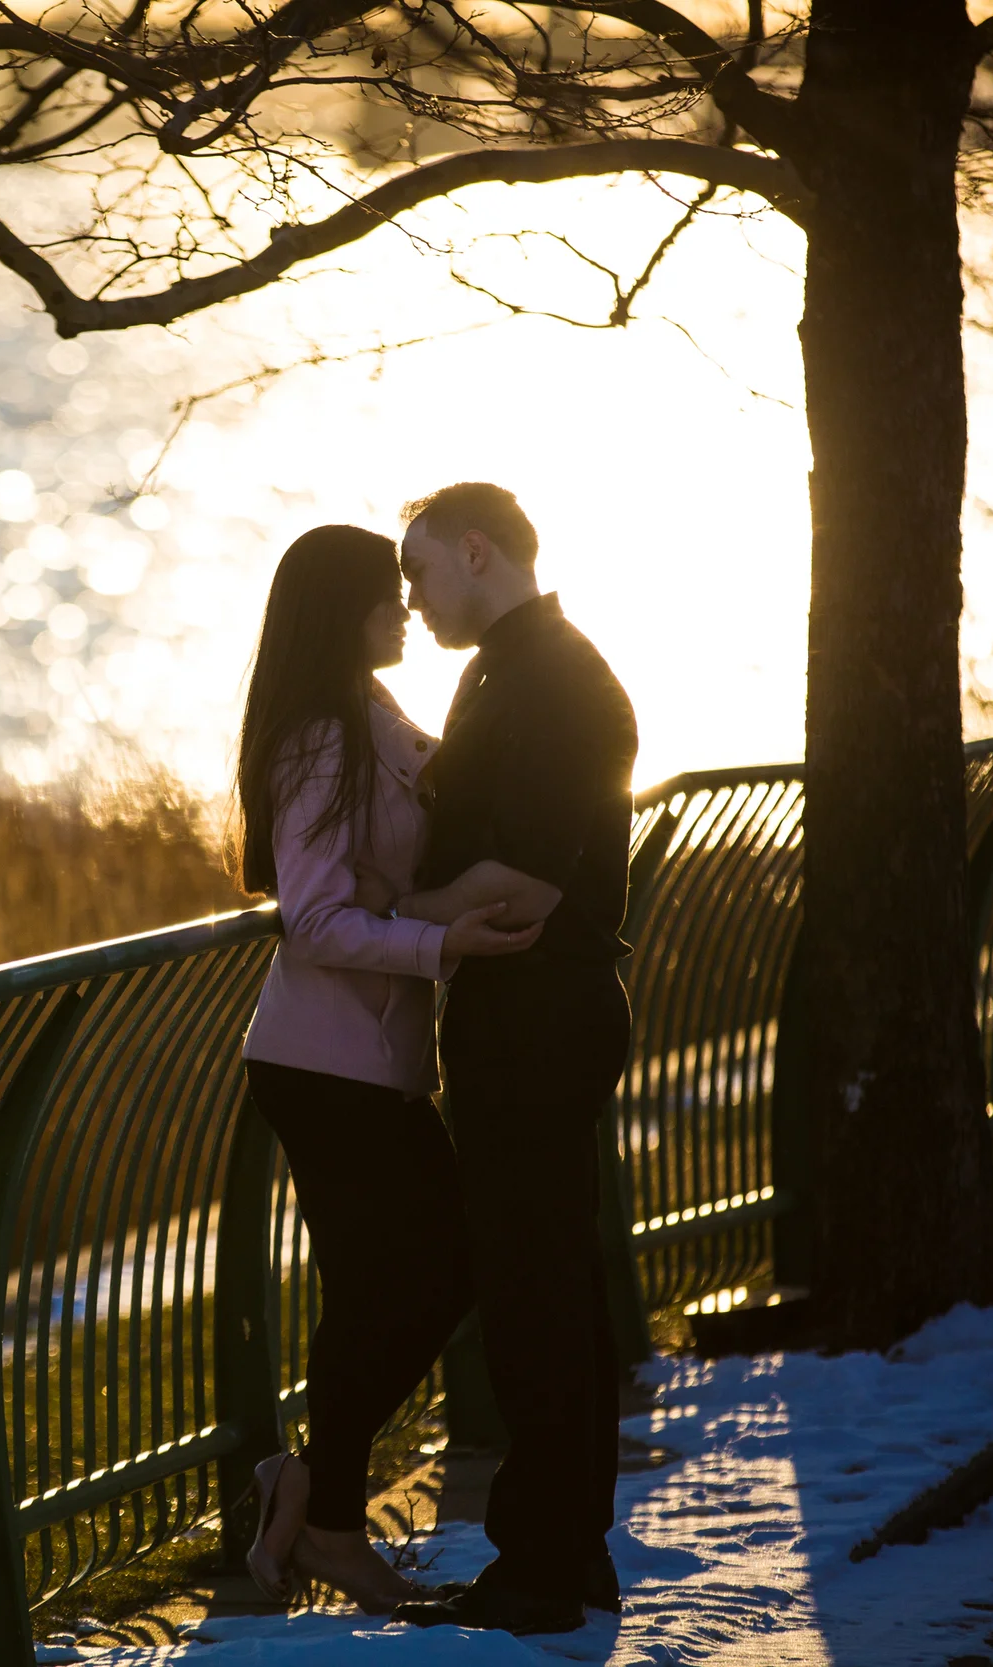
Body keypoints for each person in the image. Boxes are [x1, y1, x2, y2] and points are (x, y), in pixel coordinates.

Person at [234, 523, 561, 1616]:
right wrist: (442, 944)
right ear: (342, 610)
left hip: (367, 1062)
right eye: (387, 592)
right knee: (420, 1278)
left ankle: (304, 1492)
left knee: (400, 1284)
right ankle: (324, 1518)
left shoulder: (367, 714)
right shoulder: (321, 735)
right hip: (324, 1063)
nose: (405, 607)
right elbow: (314, 915)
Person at [372, 483, 639, 1637]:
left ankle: (542, 1568)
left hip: (537, 1019)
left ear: (476, 553)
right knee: (551, 1287)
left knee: (536, 1295)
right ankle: (561, 1553)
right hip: (529, 1018)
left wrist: (397, 911)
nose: (409, 596)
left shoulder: (551, 682)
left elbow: (525, 884)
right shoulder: (514, 670)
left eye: (418, 570)